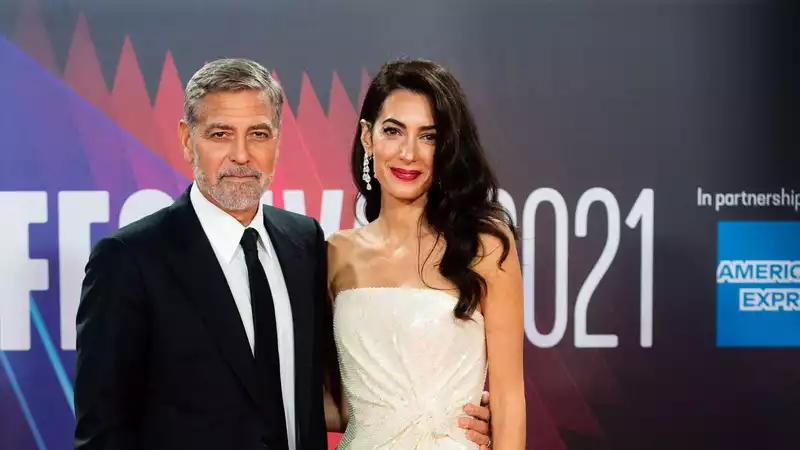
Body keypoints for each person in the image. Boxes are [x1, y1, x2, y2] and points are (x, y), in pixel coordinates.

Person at [73, 57, 493, 450]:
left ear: (277, 141)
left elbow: (318, 392)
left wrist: (447, 414)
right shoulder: (129, 259)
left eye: (258, 133)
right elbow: (102, 431)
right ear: (188, 139)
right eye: (220, 134)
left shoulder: (303, 242)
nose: (241, 154)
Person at [325, 59, 526, 449]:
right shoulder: (335, 254)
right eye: (393, 131)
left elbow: (508, 399)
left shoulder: (485, 247)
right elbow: (339, 400)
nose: (408, 153)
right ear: (367, 138)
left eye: (428, 136)